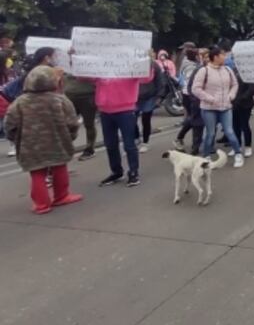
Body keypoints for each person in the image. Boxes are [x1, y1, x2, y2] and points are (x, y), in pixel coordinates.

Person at [4, 66, 83, 214]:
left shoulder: (20, 102)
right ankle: (61, 196)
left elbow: (10, 124)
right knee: (59, 167)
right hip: (58, 141)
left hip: (30, 145)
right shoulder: (60, 100)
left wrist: (16, 139)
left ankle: (41, 204)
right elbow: (72, 122)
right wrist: (70, 137)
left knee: (37, 173)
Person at [87, 65, 154, 188]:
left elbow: (146, 78)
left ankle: (133, 172)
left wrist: (147, 62)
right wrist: (75, 59)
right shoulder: (101, 65)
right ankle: (116, 172)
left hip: (125, 110)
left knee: (129, 144)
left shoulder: (129, 65)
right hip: (105, 110)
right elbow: (84, 77)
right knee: (110, 144)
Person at [191, 46, 244, 168]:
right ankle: (206, 156)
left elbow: (235, 84)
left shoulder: (227, 70)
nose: (225, 57)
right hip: (209, 108)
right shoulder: (204, 71)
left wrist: (231, 95)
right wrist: (210, 99)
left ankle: (238, 154)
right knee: (210, 133)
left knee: (229, 131)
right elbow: (195, 89)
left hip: (226, 107)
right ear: (215, 57)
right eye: (222, 55)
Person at [173, 46, 203, 152]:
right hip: (190, 95)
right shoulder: (191, 67)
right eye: (200, 55)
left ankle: (195, 142)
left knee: (194, 119)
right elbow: (192, 82)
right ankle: (182, 139)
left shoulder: (190, 64)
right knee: (194, 120)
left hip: (189, 94)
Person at [134, 57, 165, 154]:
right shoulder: (131, 65)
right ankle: (136, 138)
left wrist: (159, 97)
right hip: (134, 97)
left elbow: (160, 81)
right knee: (131, 119)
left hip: (149, 97)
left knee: (145, 119)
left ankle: (145, 142)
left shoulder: (154, 66)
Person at [64, 74, 97, 160]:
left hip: (87, 95)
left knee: (89, 124)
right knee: (67, 124)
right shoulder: (65, 63)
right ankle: (66, 148)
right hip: (70, 94)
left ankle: (89, 149)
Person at [232, 67, 254, 158]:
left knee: (244, 125)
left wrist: (242, 97)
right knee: (235, 126)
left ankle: (248, 146)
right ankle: (237, 145)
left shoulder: (249, 72)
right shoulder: (233, 71)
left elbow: (253, 88)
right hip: (232, 103)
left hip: (245, 103)